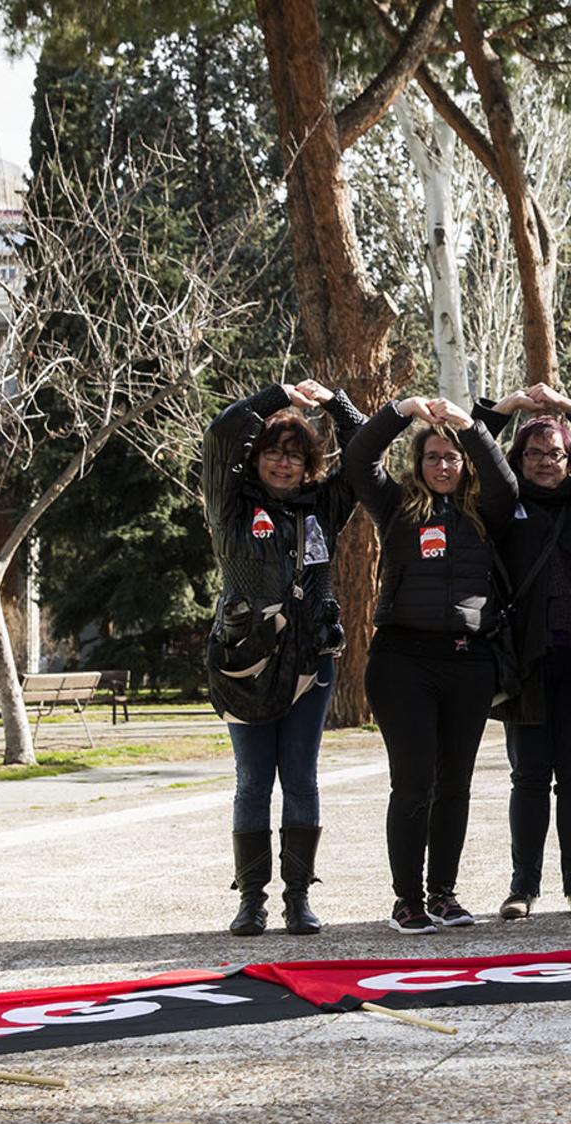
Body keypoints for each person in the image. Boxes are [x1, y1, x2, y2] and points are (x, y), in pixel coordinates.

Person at [343, 394, 519, 933]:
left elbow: (506, 485)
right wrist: (402, 411)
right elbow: (357, 458)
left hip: (468, 662)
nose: (442, 466)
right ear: (417, 465)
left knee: (455, 784)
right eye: (432, 457)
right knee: (413, 782)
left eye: (452, 457)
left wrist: (472, 428)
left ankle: (444, 893)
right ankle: (408, 900)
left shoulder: (483, 511)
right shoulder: (396, 507)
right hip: (403, 662)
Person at [203, 379, 361, 936]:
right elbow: (222, 434)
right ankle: (251, 900)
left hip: (310, 658)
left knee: (301, 777)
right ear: (258, 458)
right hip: (246, 660)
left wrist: (333, 404)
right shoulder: (231, 503)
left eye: (294, 455)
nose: (282, 464)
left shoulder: (322, 507)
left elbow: (364, 447)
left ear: (308, 463)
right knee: (252, 781)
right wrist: (279, 395)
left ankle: (298, 897)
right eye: (273, 453)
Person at [474, 383, 571, 920]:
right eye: (533, 453)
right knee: (530, 777)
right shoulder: (504, 503)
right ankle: (523, 886)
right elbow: (476, 450)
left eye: (554, 452)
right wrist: (505, 410)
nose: (543, 462)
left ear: (569, 457)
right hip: (527, 663)